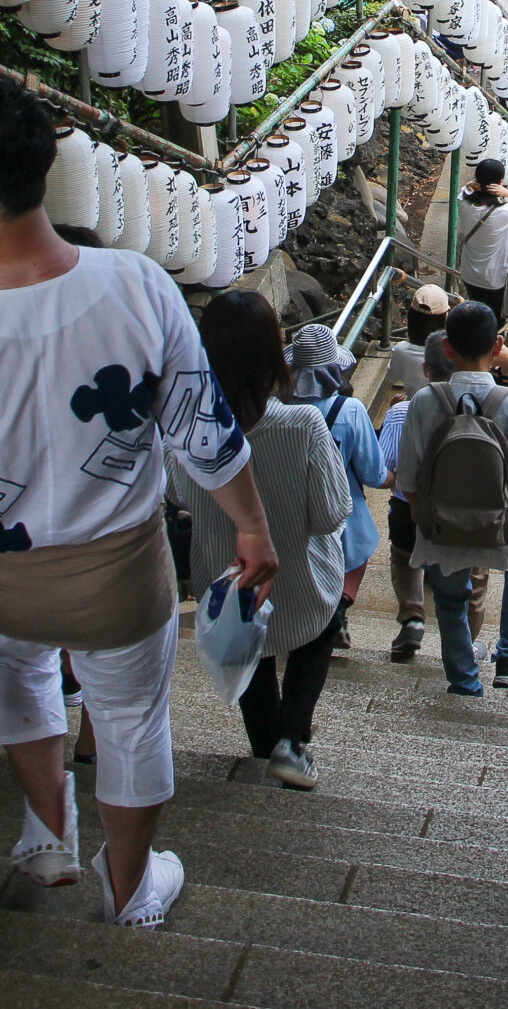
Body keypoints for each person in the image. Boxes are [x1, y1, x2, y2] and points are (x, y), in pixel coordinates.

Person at [0, 78, 279, 929]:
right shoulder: (137, 286)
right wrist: (251, 525)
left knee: (19, 680)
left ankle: (48, 833)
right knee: (130, 723)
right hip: (119, 578)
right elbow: (204, 436)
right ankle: (129, 892)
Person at [178, 295, 350, 791]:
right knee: (316, 632)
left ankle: (266, 742)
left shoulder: (191, 429)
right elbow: (332, 512)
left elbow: (175, 492)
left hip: (223, 571)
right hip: (296, 573)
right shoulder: (303, 424)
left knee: (248, 646)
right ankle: (292, 740)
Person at [395, 302, 508, 695]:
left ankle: (463, 678)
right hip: (503, 524)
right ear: (498, 347)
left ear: (447, 347)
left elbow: (408, 476)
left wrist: (421, 513)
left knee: (448, 597)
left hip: (442, 526)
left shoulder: (426, 402)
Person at [284, 324, 387, 650]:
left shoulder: (278, 408)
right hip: (340, 507)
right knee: (357, 551)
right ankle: (339, 608)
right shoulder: (349, 410)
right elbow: (373, 473)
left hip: (289, 507)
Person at [378, 287, 448, 658]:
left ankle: (412, 617)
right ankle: (460, 638)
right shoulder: (471, 410)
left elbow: (382, 465)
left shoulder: (401, 411)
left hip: (407, 502)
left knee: (404, 555)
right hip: (451, 503)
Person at [454, 156, 508, 315]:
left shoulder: (463, 204)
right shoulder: (503, 213)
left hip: (469, 275)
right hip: (494, 278)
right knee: (496, 318)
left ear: (476, 180)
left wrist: (469, 186)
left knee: (476, 313)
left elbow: (464, 192)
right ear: (500, 183)